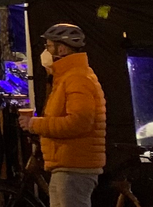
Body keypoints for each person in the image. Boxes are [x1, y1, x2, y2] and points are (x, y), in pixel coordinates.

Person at [20, 24, 106, 207]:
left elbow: (79, 122)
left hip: (75, 167)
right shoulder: (67, 77)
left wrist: (36, 124)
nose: (46, 52)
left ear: (62, 48)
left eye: (49, 46)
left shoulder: (77, 78)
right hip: (68, 165)